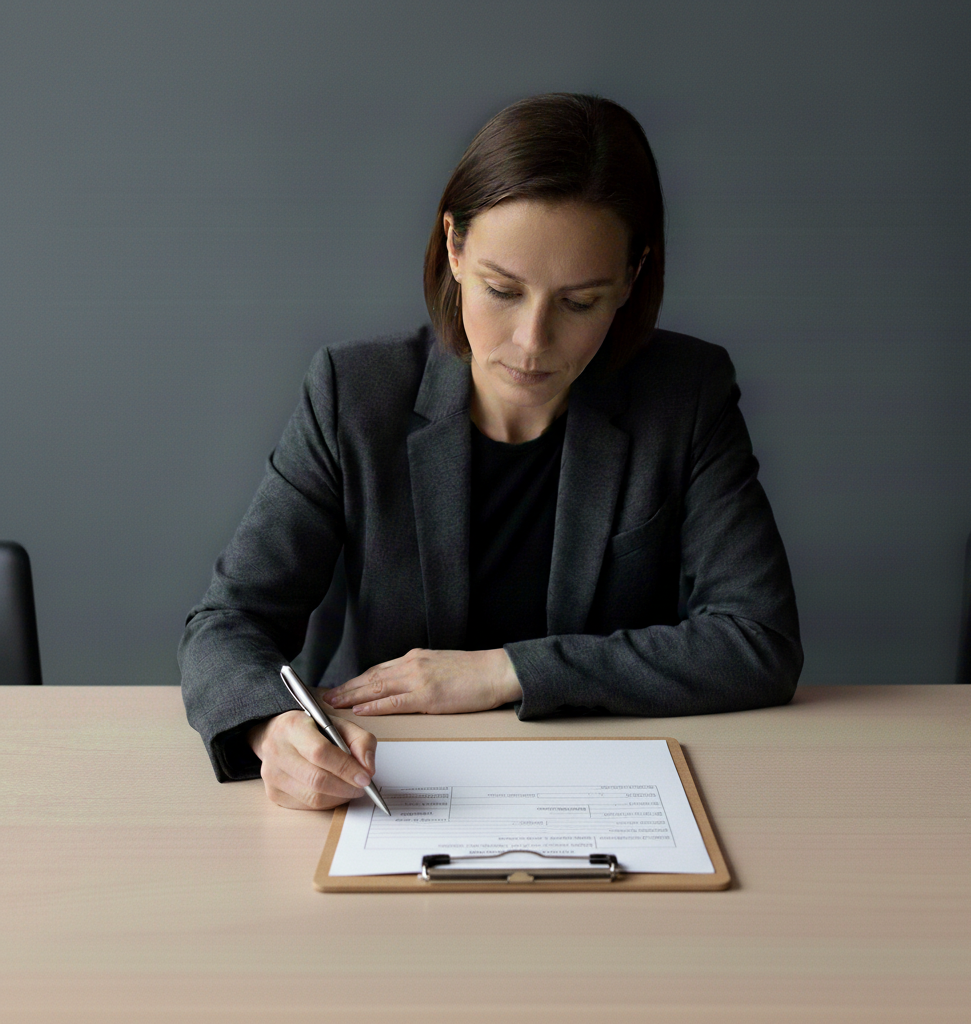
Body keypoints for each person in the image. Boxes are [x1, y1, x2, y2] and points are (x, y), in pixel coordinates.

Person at [179, 93, 802, 811]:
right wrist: (273, 728)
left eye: (580, 302)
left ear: (632, 278)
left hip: (606, 788)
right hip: (390, 785)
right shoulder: (354, 394)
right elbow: (227, 624)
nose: (533, 342)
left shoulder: (685, 397)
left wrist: (507, 670)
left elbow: (758, 640)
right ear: (454, 248)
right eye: (502, 290)